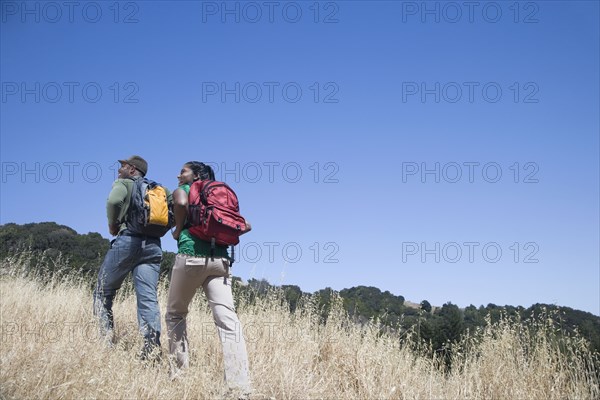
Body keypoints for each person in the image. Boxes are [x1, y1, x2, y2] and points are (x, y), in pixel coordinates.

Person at [165, 161, 252, 393]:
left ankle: (179, 376)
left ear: (196, 175)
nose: (178, 175)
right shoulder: (219, 195)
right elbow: (246, 225)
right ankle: (239, 387)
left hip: (191, 256)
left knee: (175, 314)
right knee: (228, 322)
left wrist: (178, 229)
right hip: (220, 261)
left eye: (182, 171)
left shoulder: (185, 191)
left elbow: (181, 202)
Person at [93, 155, 170, 359]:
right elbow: (176, 209)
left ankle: (105, 343)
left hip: (128, 241)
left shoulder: (124, 184)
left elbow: (113, 200)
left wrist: (113, 225)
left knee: (103, 292)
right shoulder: (159, 189)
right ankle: (151, 349)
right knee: (148, 299)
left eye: (124, 166)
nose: (120, 169)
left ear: (133, 170)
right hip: (153, 246)